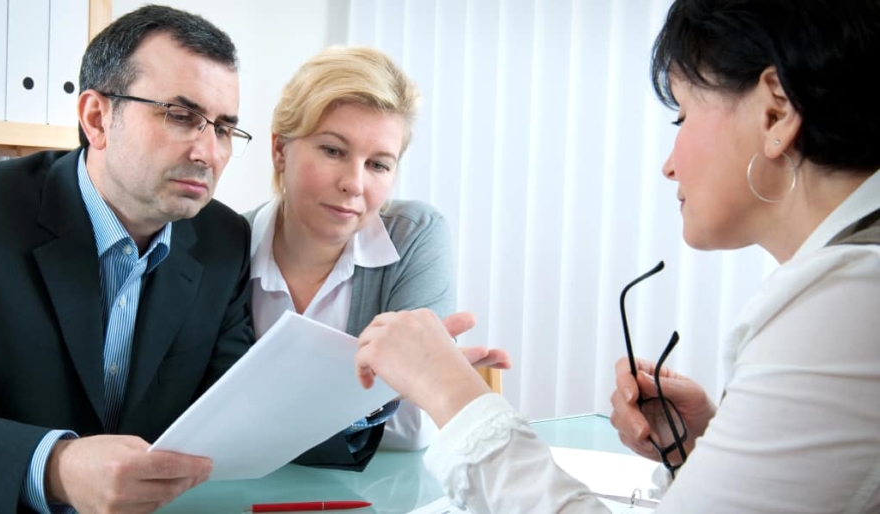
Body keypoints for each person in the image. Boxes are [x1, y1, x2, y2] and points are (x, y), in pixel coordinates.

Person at [354, 1, 880, 512]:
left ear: (775, 113)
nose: (669, 167)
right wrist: (710, 447)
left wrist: (451, 394)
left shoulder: (849, 301)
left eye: (682, 116)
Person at [0, 6, 257, 514]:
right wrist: (57, 467)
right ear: (97, 118)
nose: (208, 152)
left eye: (223, 129)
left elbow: (238, 410)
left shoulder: (224, 239)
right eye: (181, 116)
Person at [246, 46, 491, 470]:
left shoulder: (414, 235)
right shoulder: (225, 244)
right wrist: (373, 394)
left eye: (378, 164)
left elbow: (413, 429)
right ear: (280, 150)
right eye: (333, 150)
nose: (354, 184)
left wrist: (269, 415)